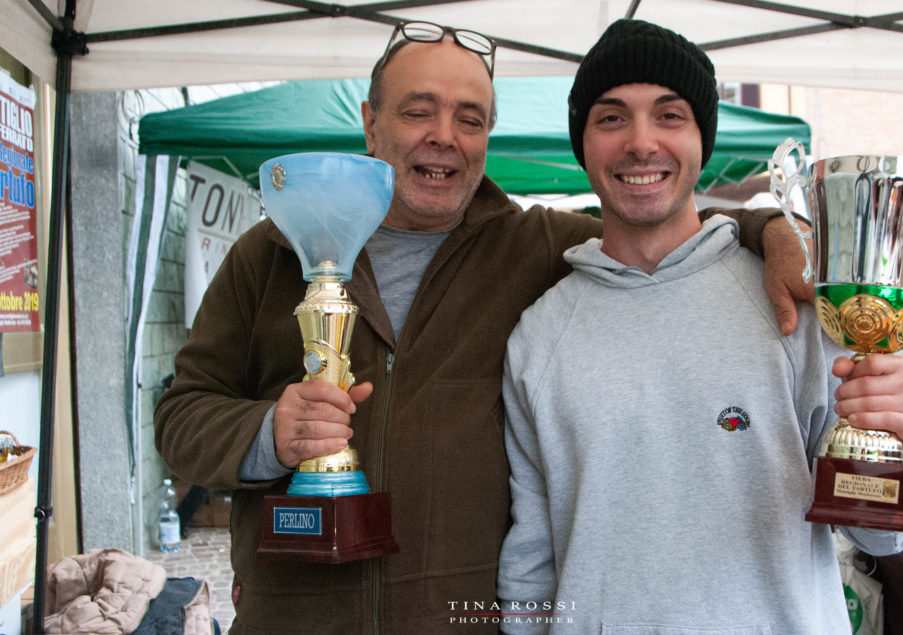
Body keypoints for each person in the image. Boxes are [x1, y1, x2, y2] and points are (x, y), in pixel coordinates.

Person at [154, 20, 813, 634]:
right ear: (370, 123)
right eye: (418, 110)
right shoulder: (271, 253)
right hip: (292, 619)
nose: (444, 135)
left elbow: (658, 229)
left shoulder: (531, 248)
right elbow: (180, 418)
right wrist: (269, 433)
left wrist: (771, 228)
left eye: (470, 119)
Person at [497, 19, 903, 633]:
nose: (641, 143)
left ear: (703, 137)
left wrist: (899, 446)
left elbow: (877, 540)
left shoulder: (794, 304)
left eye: (670, 115)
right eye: (612, 117)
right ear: (582, 143)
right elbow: (531, 563)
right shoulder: (537, 337)